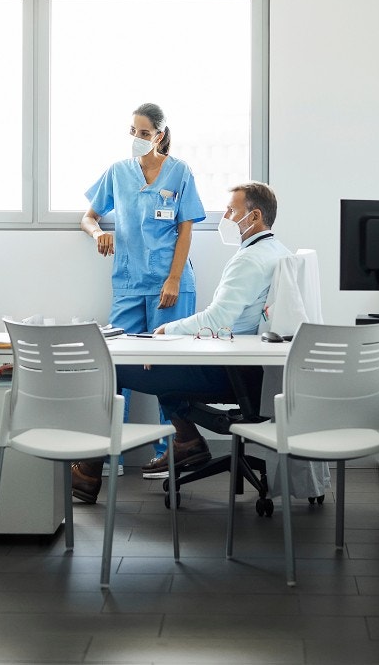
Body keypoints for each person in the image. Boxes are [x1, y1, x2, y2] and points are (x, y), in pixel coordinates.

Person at [71, 182, 290, 504]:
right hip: (252, 368)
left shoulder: (249, 260)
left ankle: (88, 473)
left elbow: (218, 319)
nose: (225, 217)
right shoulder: (277, 251)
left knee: (114, 369)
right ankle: (187, 441)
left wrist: (165, 331)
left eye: (231, 211)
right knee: (162, 367)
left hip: (231, 370)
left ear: (254, 216)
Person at [81, 102, 206, 472]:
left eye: (145, 133)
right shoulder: (118, 172)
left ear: (159, 135)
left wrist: (174, 278)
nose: (137, 138)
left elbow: (185, 229)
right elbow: (88, 217)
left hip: (171, 283)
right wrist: (98, 233)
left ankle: (175, 449)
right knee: (114, 363)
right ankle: (108, 455)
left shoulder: (179, 171)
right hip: (129, 282)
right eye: (133, 131)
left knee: (168, 367)